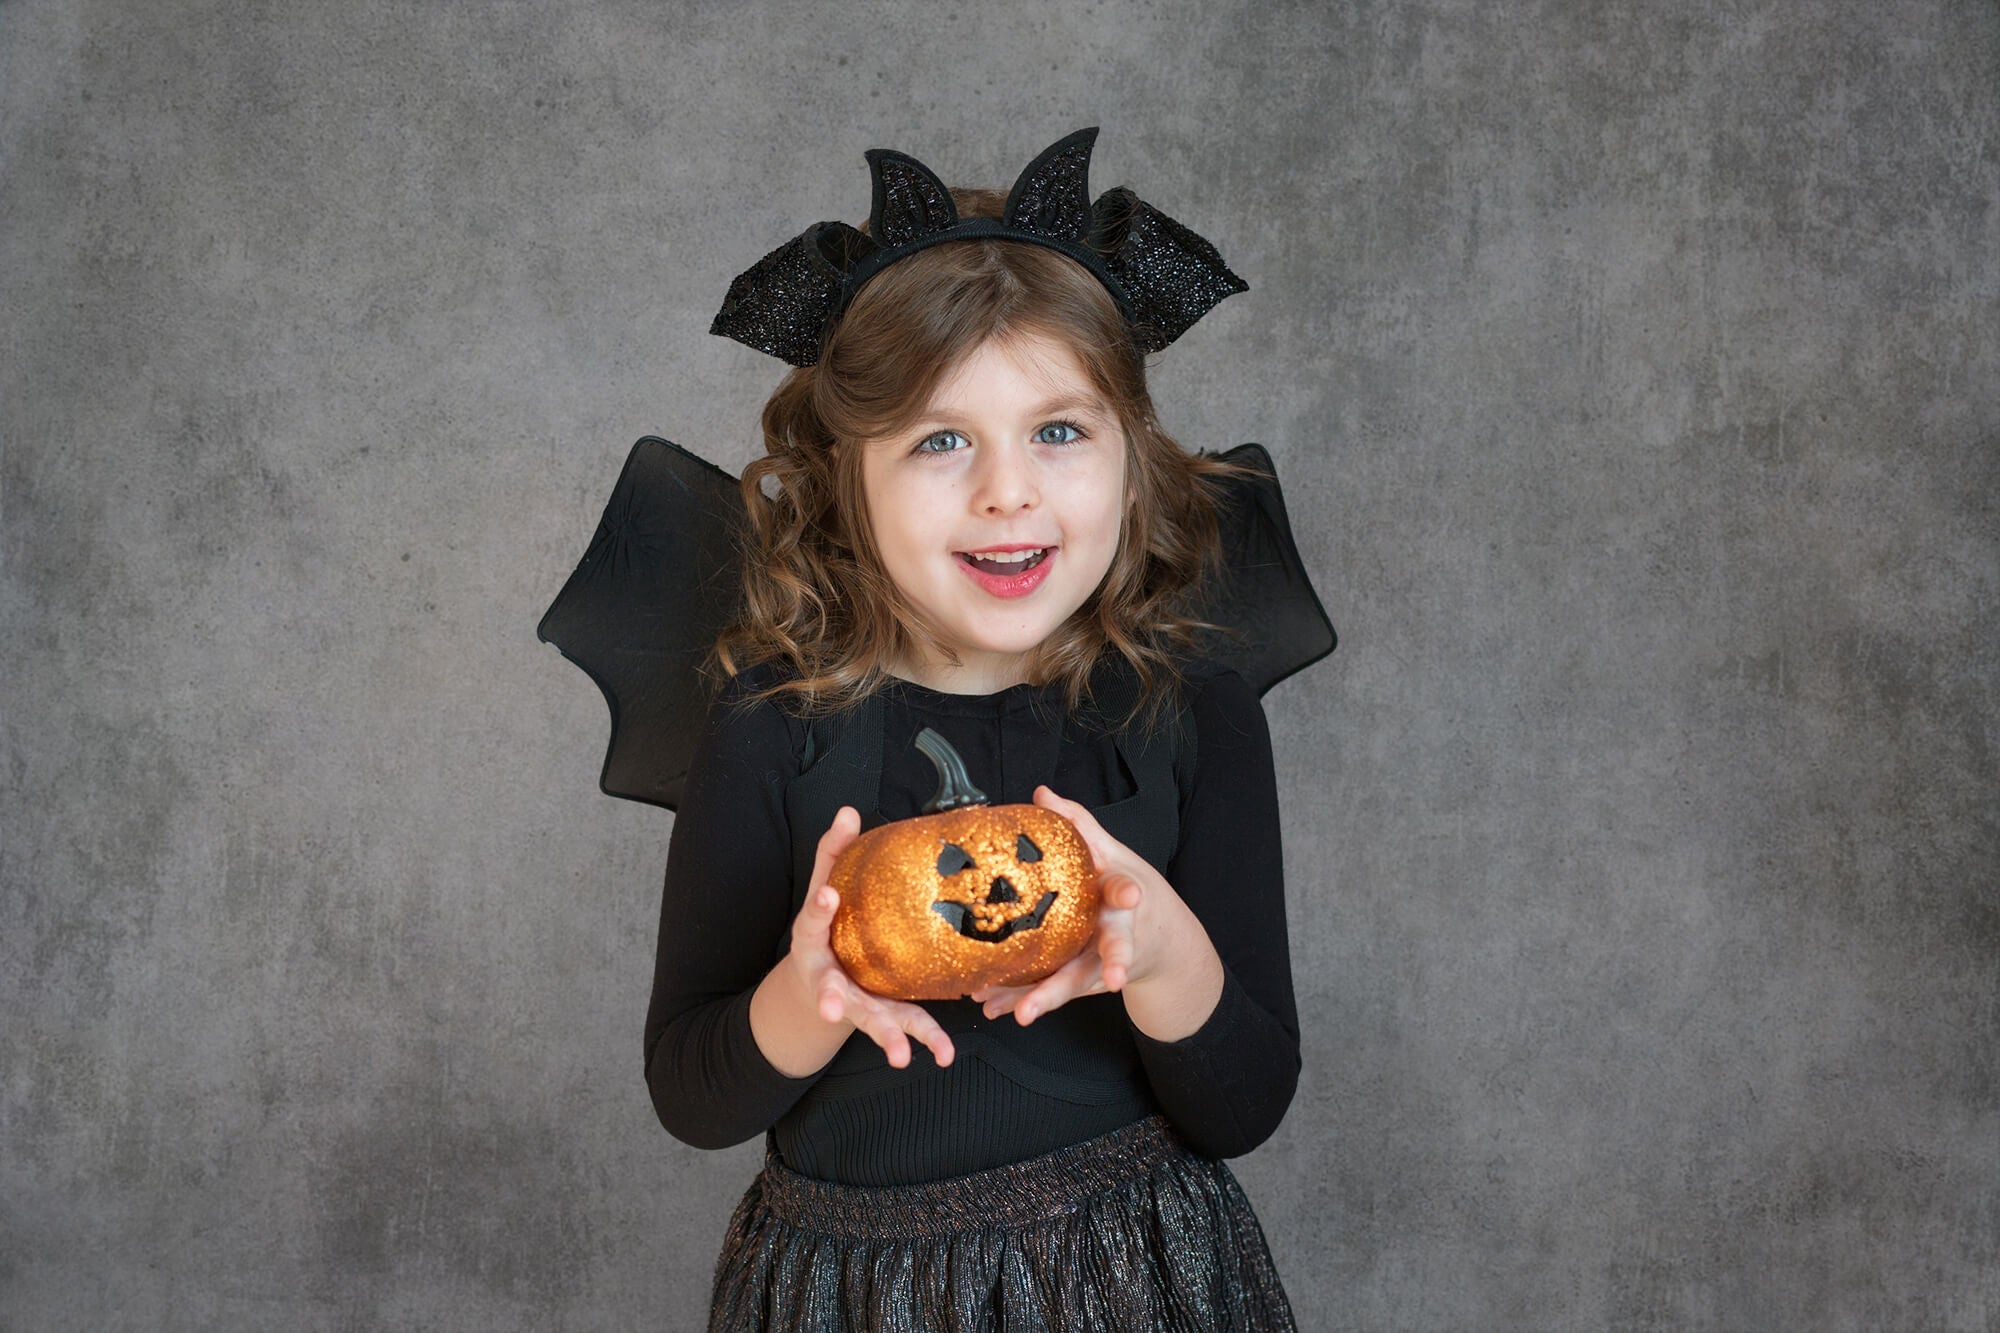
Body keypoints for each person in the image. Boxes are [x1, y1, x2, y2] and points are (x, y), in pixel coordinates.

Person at [644, 129, 1304, 1331]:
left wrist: (1160, 958)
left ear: (1130, 463)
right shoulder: (772, 725)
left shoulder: (1184, 709)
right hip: (850, 1292)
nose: (1008, 489)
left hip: (1133, 1280)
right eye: (941, 441)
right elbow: (691, 1094)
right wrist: (811, 991)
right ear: (848, 478)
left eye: (1059, 431)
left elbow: (1246, 1103)